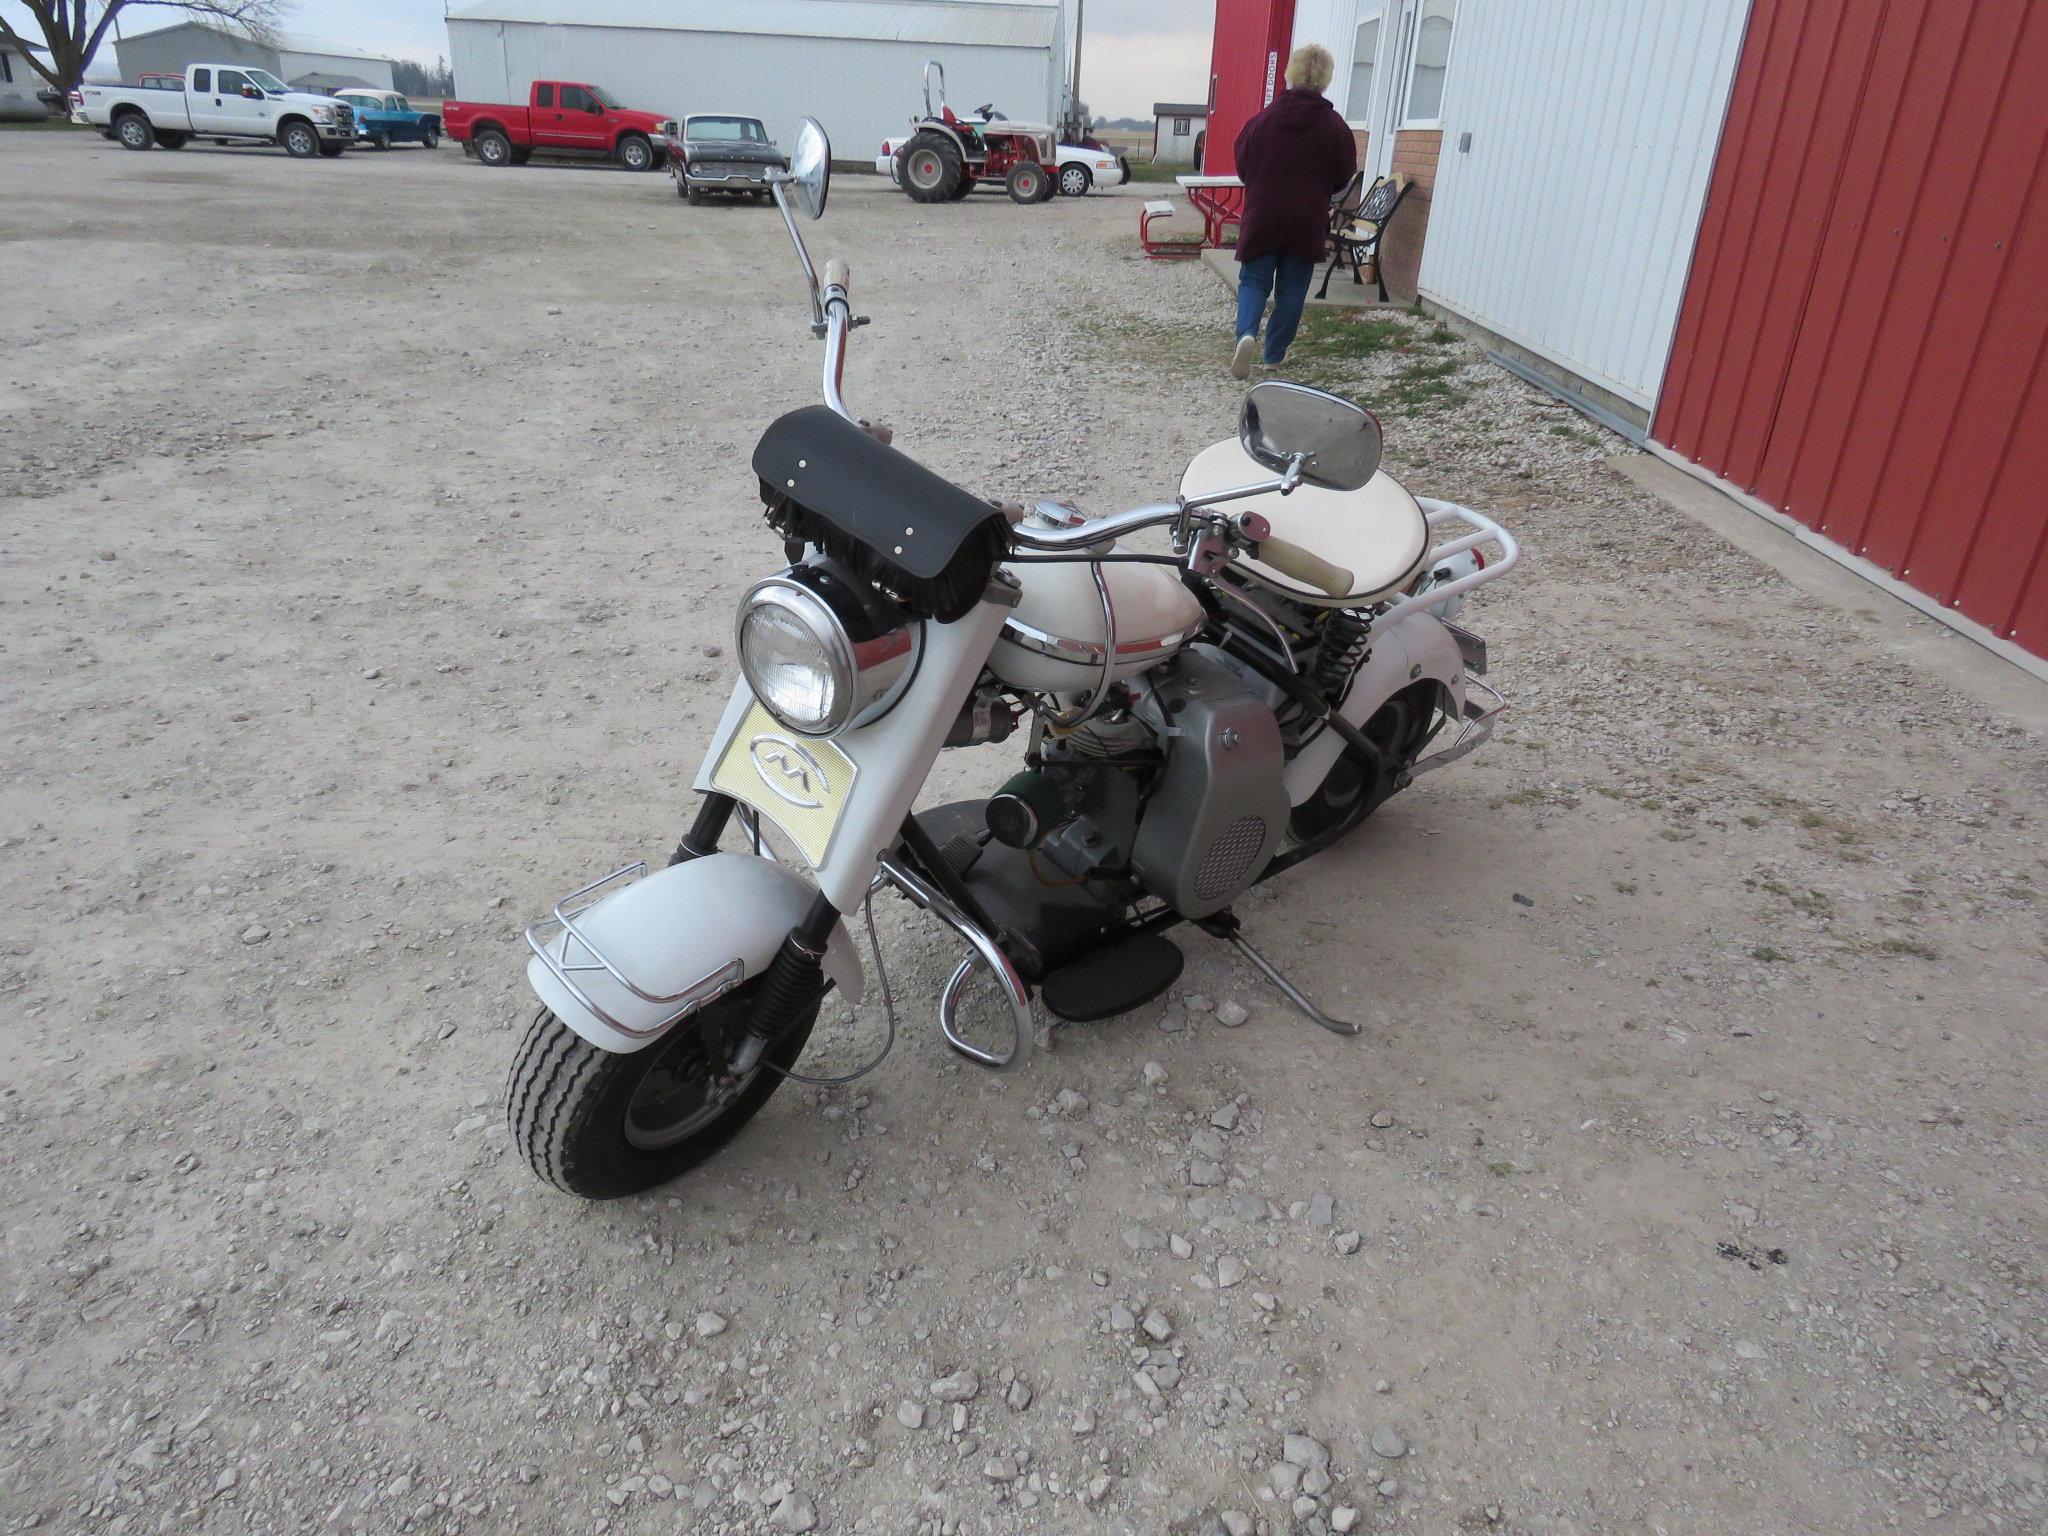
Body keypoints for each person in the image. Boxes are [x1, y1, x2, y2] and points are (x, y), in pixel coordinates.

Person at [1229, 45, 1358, 379]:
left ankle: (1246, 335)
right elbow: (1345, 174)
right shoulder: (1334, 126)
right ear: (1326, 80)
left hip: (1263, 217)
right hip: (1306, 221)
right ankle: (1273, 356)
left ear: (1291, 73)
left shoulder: (1261, 121)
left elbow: (1243, 164)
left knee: (1254, 281)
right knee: (1292, 292)